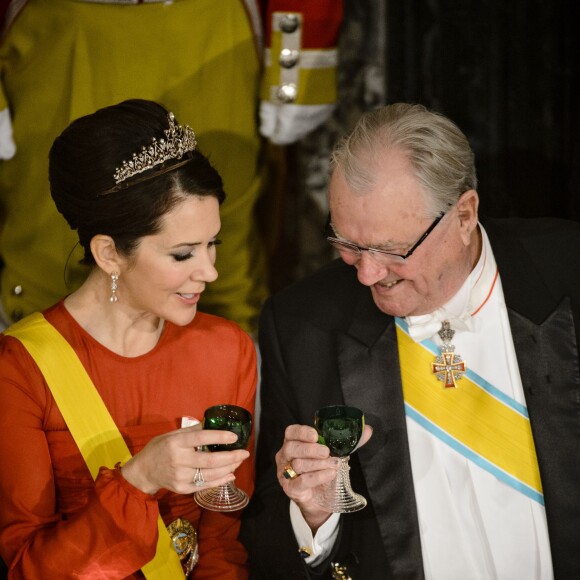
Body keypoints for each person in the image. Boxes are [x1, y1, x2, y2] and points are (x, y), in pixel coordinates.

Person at [240, 103, 580, 578]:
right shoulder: (303, 325)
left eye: (392, 250)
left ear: (464, 215)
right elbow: (267, 541)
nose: (366, 274)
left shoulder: (568, 269)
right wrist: (314, 516)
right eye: (347, 243)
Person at [0, 99, 257, 578]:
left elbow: (223, 540)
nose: (210, 272)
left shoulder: (226, 350)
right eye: (183, 254)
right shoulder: (21, 369)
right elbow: (28, 569)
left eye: (213, 244)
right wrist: (139, 480)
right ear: (109, 254)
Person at [0, 0, 343, 335]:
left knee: (219, 229)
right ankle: (36, 371)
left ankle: (227, 372)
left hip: (213, 24)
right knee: (51, 229)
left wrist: (301, 47)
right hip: (60, 25)